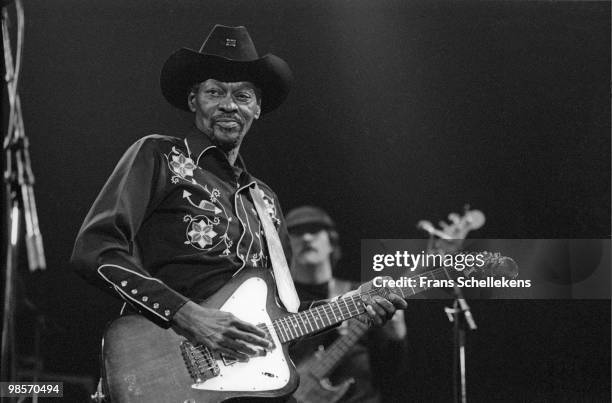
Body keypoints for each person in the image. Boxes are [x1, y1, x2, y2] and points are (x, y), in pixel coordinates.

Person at [70, 25, 406, 367]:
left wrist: (350, 302)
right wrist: (187, 315)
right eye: (214, 92)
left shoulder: (266, 202)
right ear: (193, 100)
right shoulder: (159, 156)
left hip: (248, 384)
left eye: (243, 96)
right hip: (163, 367)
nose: (229, 105)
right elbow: (95, 249)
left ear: (257, 108)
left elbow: (285, 317)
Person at [286, 206, 406, 403]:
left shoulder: (362, 295)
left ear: (331, 242)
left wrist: (397, 337)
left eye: (315, 230)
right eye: (297, 233)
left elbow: (391, 374)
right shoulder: (280, 300)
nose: (307, 238)